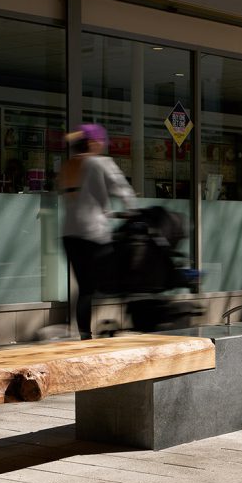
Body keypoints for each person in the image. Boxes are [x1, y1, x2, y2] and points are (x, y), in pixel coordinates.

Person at [60, 123, 136, 339]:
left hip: (70, 234)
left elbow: (79, 197)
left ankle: (85, 336)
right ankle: (127, 324)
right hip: (94, 234)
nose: (102, 146)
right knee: (120, 278)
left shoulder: (69, 165)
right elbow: (123, 190)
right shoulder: (100, 163)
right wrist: (134, 211)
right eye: (101, 142)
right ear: (93, 142)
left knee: (85, 289)